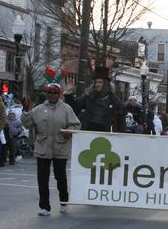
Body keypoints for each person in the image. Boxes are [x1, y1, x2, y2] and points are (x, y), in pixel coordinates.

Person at [21, 83, 81, 215]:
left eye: (55, 93)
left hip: (60, 147)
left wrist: (68, 131)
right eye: (50, 93)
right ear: (47, 94)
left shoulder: (66, 109)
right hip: (43, 147)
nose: (52, 95)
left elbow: (76, 125)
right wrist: (25, 111)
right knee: (42, 178)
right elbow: (26, 123)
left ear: (59, 95)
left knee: (60, 177)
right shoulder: (39, 109)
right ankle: (44, 207)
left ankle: (64, 202)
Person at [78, 67, 124, 132]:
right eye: (96, 82)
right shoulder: (89, 97)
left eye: (100, 82)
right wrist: (68, 94)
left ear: (105, 84)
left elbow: (121, 122)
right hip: (87, 133)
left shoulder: (114, 101)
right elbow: (74, 107)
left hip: (105, 134)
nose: (97, 85)